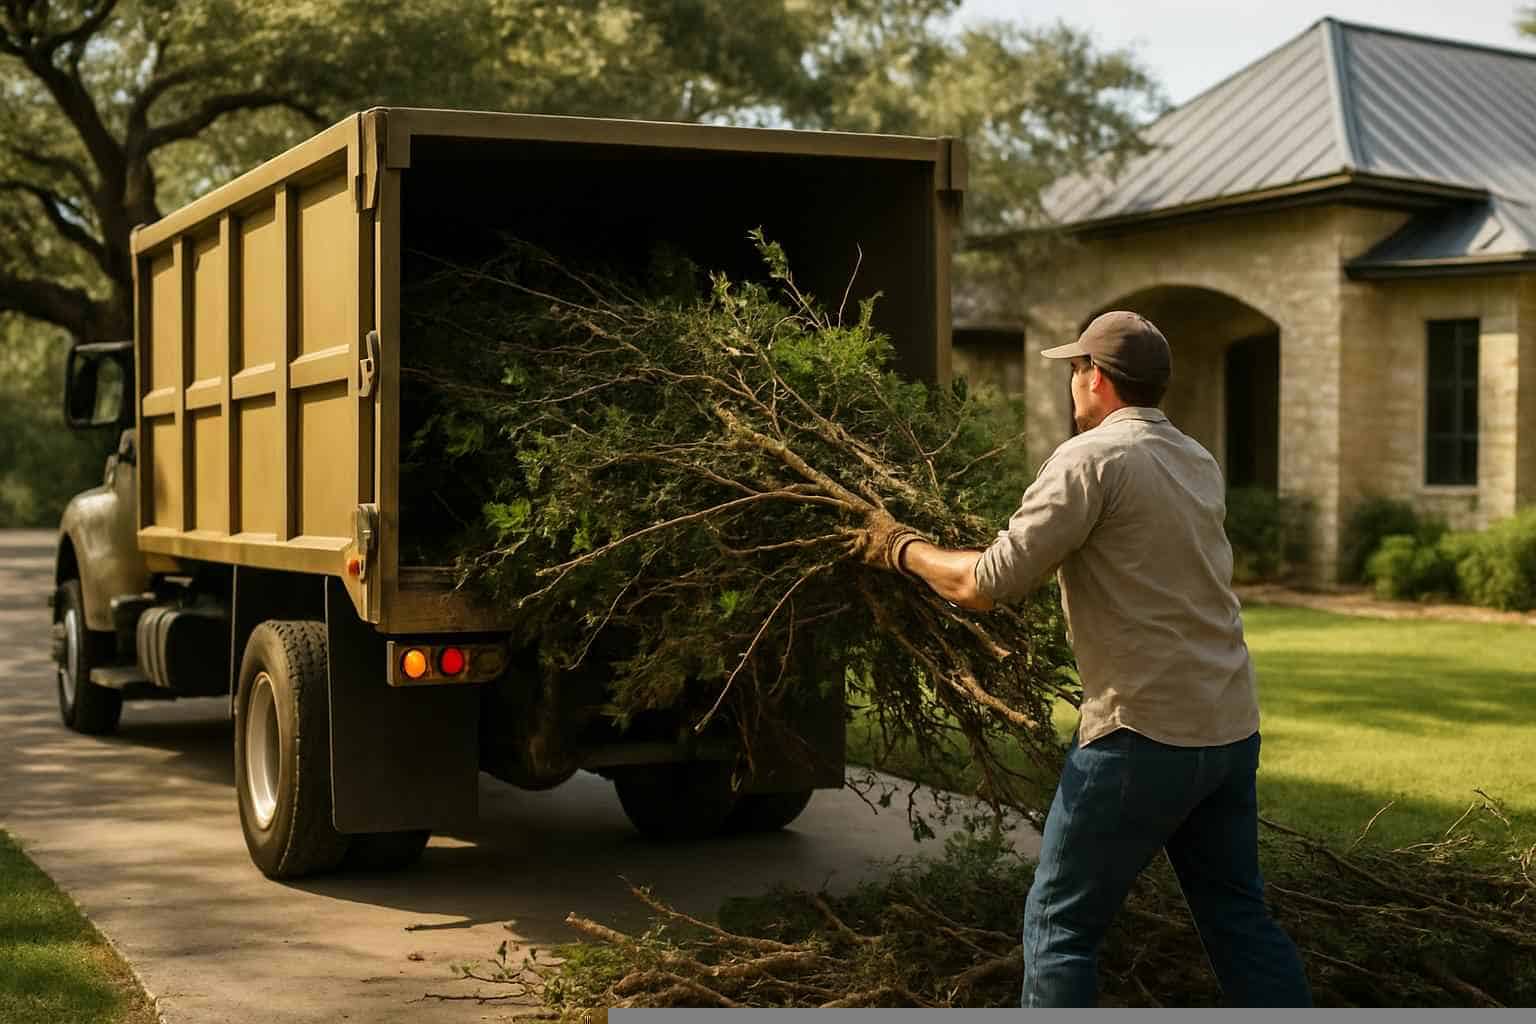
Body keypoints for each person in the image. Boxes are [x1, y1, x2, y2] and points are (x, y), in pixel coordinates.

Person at [861, 311, 1312, 1007]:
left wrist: (901, 548)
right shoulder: (1196, 458)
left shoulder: (1092, 457)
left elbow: (985, 585)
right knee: (1237, 917)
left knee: (1059, 924)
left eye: (1074, 370)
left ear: (1094, 378)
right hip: (1227, 728)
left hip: (1140, 734)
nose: (1072, 386)